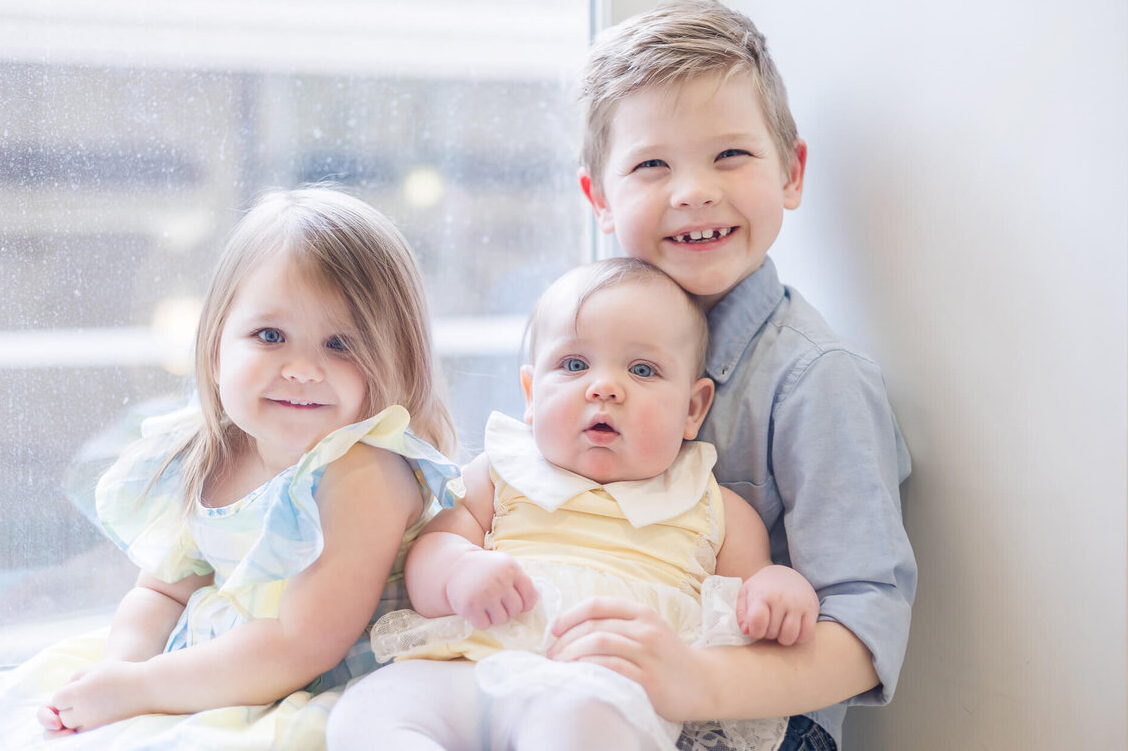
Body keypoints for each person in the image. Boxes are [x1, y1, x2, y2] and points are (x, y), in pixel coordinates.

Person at [0, 186, 459, 750]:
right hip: (204, 676)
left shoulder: (362, 472)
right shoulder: (217, 451)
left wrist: (139, 687)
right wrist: (117, 671)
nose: (303, 368)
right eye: (270, 336)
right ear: (216, 346)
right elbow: (163, 592)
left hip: (313, 693)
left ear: (397, 354)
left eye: (340, 344)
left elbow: (301, 645)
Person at [560, 0, 915, 751]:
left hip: (747, 723)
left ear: (790, 172)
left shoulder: (818, 380)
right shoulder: (578, 349)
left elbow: (863, 633)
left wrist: (697, 679)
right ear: (598, 198)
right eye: (652, 164)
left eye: (731, 155)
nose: (693, 190)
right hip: (595, 691)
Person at [327, 257, 821, 751]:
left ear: (692, 409)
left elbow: (753, 585)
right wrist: (459, 572)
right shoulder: (502, 472)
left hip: (598, 687)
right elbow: (433, 549)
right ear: (531, 394)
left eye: (642, 369)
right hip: (472, 665)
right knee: (369, 708)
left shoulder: (714, 505)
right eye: (575, 365)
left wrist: (780, 591)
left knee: (581, 724)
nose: (603, 387)